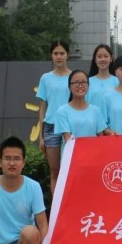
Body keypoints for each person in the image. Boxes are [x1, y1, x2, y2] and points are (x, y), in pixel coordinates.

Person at [36, 40, 71, 195]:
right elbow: (42, 107)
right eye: (56, 53)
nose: (59, 56)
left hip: (70, 127)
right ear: (51, 55)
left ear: (67, 55)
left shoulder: (74, 77)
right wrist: (41, 137)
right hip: (51, 127)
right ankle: (56, 207)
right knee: (55, 171)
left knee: (70, 169)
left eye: (62, 53)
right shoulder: (45, 78)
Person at [54, 70, 107, 142]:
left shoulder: (96, 110)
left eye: (84, 82)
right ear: (69, 87)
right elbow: (68, 139)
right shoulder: (62, 111)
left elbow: (100, 138)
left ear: (88, 85)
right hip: (73, 149)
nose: (80, 85)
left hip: (93, 149)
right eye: (76, 82)